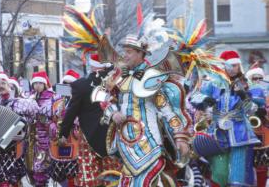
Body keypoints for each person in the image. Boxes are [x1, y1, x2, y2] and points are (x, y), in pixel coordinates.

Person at [99, 34, 191, 186]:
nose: (124, 55)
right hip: (125, 144)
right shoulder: (117, 76)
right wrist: (113, 112)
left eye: (129, 52)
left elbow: (167, 111)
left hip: (149, 143)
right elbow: (103, 98)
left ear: (140, 53)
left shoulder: (151, 78)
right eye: (124, 51)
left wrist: (180, 137)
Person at [191, 50, 260, 186]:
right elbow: (194, 96)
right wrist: (206, 100)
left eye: (237, 65)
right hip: (217, 132)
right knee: (220, 173)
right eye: (232, 65)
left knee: (237, 175)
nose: (235, 68)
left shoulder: (246, 83)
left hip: (241, 132)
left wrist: (243, 96)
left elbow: (252, 109)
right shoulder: (213, 82)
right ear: (224, 66)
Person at [59, 54, 121, 187]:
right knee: (113, 173)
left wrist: (63, 133)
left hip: (88, 136)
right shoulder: (117, 82)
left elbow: (71, 112)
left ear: (92, 65)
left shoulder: (80, 85)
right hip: (112, 136)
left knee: (89, 175)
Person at [49, 69, 80, 186]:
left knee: (74, 171)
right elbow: (51, 119)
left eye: (70, 84)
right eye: (65, 83)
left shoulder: (79, 100)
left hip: (74, 138)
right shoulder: (56, 101)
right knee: (59, 172)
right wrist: (53, 125)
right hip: (59, 139)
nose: (67, 86)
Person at [28, 71, 54, 187]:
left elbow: (51, 115)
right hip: (33, 137)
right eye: (35, 83)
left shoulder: (51, 96)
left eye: (40, 83)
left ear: (45, 84)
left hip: (47, 136)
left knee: (45, 162)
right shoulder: (30, 96)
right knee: (34, 164)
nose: (37, 85)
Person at [245, 64, 268, 187]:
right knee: (245, 166)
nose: (258, 80)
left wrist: (265, 112)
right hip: (246, 134)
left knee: (262, 166)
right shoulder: (246, 93)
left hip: (264, 135)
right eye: (255, 78)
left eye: (260, 78)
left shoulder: (267, 93)